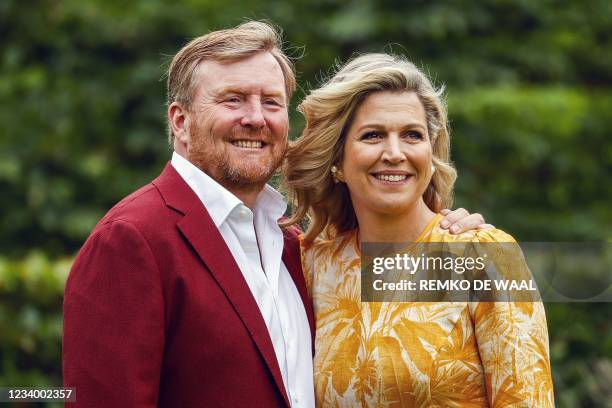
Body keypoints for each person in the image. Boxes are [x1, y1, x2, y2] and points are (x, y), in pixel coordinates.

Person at [63, 21, 487, 407]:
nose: (255, 118)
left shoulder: (301, 249)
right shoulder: (131, 239)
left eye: (271, 102)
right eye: (233, 99)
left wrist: (457, 244)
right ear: (180, 121)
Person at [284, 53, 554, 407]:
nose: (394, 153)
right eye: (373, 135)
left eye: (412, 135)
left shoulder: (484, 257)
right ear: (337, 160)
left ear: (431, 153)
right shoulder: (312, 263)